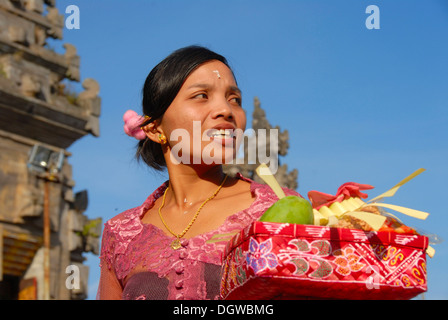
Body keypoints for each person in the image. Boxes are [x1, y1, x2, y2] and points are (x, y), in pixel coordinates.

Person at [97, 45, 300, 300]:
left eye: (234, 99)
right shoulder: (121, 233)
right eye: (202, 96)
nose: (226, 110)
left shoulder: (278, 210)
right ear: (154, 128)